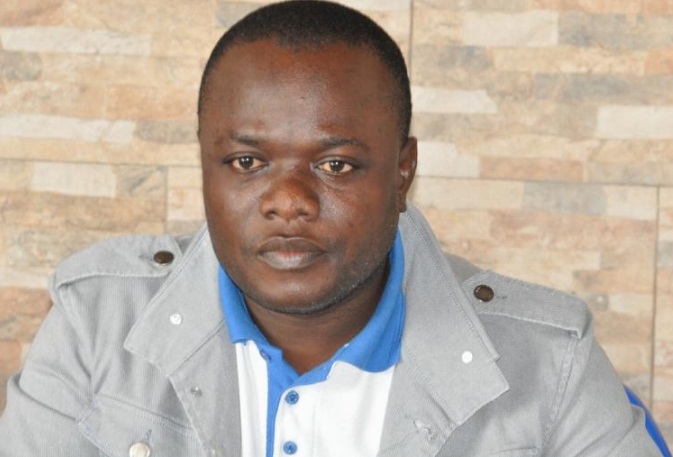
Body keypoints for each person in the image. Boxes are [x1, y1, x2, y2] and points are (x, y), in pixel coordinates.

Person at [0, 1, 663, 456]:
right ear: (205, 164)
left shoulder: (549, 360)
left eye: (335, 164)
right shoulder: (97, 324)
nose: (288, 201)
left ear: (402, 172)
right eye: (247, 162)